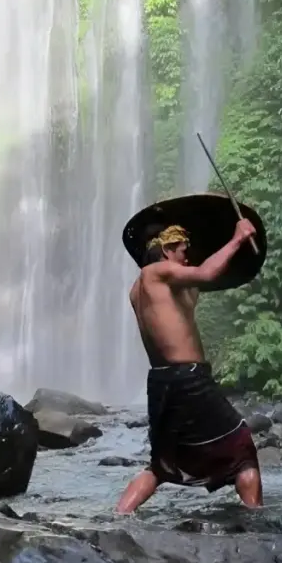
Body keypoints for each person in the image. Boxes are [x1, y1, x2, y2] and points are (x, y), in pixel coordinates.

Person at [115, 219, 263, 514]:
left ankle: (120, 517)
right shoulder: (158, 271)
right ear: (167, 250)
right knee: (242, 448)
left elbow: (189, 295)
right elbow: (205, 274)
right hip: (190, 380)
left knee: (161, 465)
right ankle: (256, 520)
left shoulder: (139, 289)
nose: (187, 258)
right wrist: (237, 237)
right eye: (183, 251)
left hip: (161, 382)